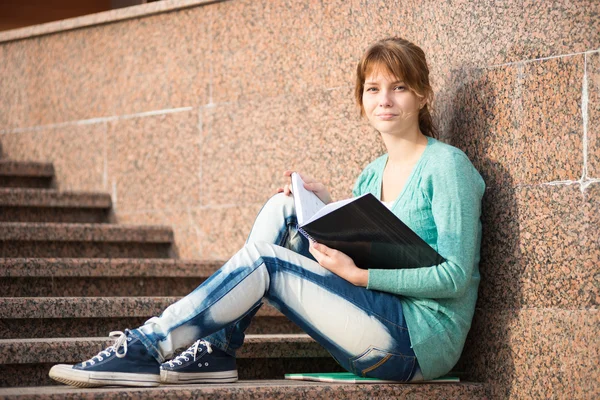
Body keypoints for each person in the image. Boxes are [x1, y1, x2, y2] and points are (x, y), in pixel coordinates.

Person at [49, 37, 485, 388]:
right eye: (373, 89)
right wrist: (327, 207)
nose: (384, 99)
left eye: (399, 87)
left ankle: (147, 345)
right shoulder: (372, 176)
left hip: (417, 342)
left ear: (423, 94)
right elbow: (374, 246)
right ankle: (218, 348)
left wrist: (362, 277)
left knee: (266, 261)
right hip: (374, 319)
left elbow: (454, 276)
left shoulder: (447, 166)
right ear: (361, 100)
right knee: (286, 206)